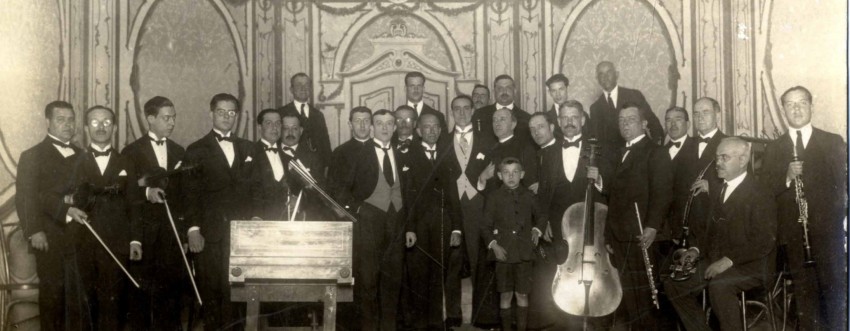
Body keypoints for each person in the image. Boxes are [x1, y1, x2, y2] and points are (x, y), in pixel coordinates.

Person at [665, 137, 777, 331]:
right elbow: (709, 230)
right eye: (717, 157)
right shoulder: (719, 189)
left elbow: (764, 240)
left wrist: (728, 260)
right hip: (717, 259)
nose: (717, 163)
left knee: (719, 285)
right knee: (673, 284)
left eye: (724, 157)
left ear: (742, 160)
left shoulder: (760, 192)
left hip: (752, 265)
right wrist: (695, 249)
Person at [761, 86, 847, 330]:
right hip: (794, 236)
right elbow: (765, 190)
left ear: (811, 106)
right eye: (790, 104)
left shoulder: (833, 142)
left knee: (834, 296)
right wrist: (786, 177)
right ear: (783, 109)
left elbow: (843, 188)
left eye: (801, 103)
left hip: (828, 234)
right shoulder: (774, 148)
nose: (796, 108)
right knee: (804, 297)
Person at [535, 101, 612, 329]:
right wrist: (543, 221)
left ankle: (596, 324)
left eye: (574, 117)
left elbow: (614, 188)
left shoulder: (600, 151)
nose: (569, 122)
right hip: (560, 228)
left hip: (590, 227)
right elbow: (543, 193)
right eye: (564, 118)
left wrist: (598, 179)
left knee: (595, 278)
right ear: (558, 122)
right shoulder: (547, 154)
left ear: (583, 120)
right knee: (563, 282)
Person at [336, 109, 415, 330]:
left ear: (395, 127)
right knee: (368, 282)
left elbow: (408, 193)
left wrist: (409, 227)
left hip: (397, 224)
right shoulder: (359, 153)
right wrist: (358, 209)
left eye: (389, 123)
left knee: (393, 281)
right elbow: (340, 189)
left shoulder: (402, 153)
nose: (384, 128)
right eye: (379, 123)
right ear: (372, 127)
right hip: (369, 223)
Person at [183, 93, 255, 330]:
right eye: (221, 112)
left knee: (239, 293)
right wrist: (193, 229)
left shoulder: (249, 148)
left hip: (242, 234)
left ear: (238, 115)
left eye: (231, 112)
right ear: (211, 114)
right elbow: (189, 194)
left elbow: (255, 190)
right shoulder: (195, 150)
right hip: (210, 234)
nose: (227, 117)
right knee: (213, 293)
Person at [16, 101, 89, 331]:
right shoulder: (32, 155)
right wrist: (34, 231)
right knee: (53, 296)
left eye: (71, 120)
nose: (67, 125)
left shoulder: (82, 154)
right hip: (48, 236)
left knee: (79, 297)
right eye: (61, 119)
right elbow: (25, 197)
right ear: (48, 122)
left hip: (79, 237)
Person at [122, 96, 187, 330]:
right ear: (150, 119)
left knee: (171, 297)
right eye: (166, 118)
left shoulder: (179, 151)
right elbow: (125, 193)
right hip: (144, 234)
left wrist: (184, 232)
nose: (171, 123)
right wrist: (147, 191)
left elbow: (182, 197)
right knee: (141, 298)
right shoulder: (131, 151)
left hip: (172, 237)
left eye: (174, 118)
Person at [605, 104, 673, 329]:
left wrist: (652, 226)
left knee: (646, 296)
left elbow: (662, 193)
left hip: (643, 234)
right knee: (630, 296)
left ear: (644, 124)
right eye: (621, 119)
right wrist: (608, 235)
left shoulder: (656, 152)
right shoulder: (617, 154)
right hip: (619, 235)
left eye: (631, 119)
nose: (624, 123)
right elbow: (613, 198)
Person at [73, 106, 134, 330]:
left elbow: (134, 204)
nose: (101, 127)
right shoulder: (75, 161)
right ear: (87, 128)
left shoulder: (126, 162)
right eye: (95, 122)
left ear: (115, 128)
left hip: (117, 244)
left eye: (107, 122)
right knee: (86, 303)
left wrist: (135, 240)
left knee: (114, 303)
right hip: (83, 242)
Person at [442, 95, 499, 326]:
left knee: (480, 261)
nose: (462, 113)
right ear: (452, 112)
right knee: (453, 261)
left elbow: (495, 178)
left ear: (473, 110)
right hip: (453, 208)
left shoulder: (487, 141)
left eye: (466, 108)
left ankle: (482, 317)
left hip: (478, 206)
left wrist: (482, 181)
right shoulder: (443, 142)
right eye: (457, 109)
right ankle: (453, 315)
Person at [405, 113, 464, 329]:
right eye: (426, 127)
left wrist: (457, 227)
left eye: (435, 127)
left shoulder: (448, 155)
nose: (431, 131)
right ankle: (421, 323)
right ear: (418, 131)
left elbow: (453, 195)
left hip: (444, 222)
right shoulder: (408, 156)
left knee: (441, 273)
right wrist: (409, 228)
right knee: (419, 274)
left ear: (440, 131)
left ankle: (439, 322)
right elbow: (407, 197)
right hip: (418, 224)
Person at [482, 157, 548, 331]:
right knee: (505, 294)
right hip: (503, 253)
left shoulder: (529, 196)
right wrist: (494, 246)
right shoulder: (493, 197)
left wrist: (537, 230)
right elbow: (485, 226)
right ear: (499, 175)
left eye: (515, 172)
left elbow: (541, 216)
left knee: (522, 294)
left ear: (522, 174)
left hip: (524, 253)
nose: (511, 176)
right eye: (506, 172)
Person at [589, 61, 664, 146]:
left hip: (639, 153)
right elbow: (597, 139)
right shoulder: (595, 108)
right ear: (597, 79)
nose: (605, 77)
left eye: (609, 72)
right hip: (610, 158)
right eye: (601, 74)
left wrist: (654, 150)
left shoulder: (633, 95)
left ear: (616, 75)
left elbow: (654, 124)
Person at [279, 108, 329, 221]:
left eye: (295, 128)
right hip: (276, 214)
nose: (290, 133)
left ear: (301, 131)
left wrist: (300, 201)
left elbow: (321, 190)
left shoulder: (313, 157)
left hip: (307, 215)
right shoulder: (272, 154)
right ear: (280, 130)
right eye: (286, 128)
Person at [476, 107, 538, 195]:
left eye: (502, 119)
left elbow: (530, 184)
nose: (497, 124)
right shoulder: (489, 150)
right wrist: (482, 178)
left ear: (513, 124)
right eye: (494, 120)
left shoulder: (525, 147)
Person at [277, 73, 332, 172]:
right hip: (291, 168)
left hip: (316, 168)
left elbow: (325, 145)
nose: (303, 88)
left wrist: (328, 167)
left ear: (310, 89)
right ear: (291, 89)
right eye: (299, 85)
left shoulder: (318, 115)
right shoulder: (281, 113)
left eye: (306, 85)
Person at [249, 108, 290, 220]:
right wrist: (255, 215)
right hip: (258, 220)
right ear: (259, 127)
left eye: (278, 123)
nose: (274, 127)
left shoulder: (288, 157)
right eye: (269, 123)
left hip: (285, 221)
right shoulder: (249, 153)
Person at [471, 75, 531, 143]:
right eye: (500, 88)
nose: (504, 92)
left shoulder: (526, 118)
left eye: (508, 88)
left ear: (515, 91)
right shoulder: (480, 114)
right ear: (494, 91)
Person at [329, 106, 372, 199]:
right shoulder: (339, 152)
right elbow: (334, 186)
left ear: (371, 125)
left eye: (366, 121)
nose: (362, 125)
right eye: (357, 121)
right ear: (350, 125)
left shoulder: (379, 149)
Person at [545, 74, 590, 139]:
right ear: (549, 93)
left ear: (567, 88)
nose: (558, 94)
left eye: (561, 89)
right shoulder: (546, 118)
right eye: (554, 91)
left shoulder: (582, 114)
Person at [404, 71, 448, 136]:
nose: (416, 89)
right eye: (412, 86)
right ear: (405, 89)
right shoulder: (397, 115)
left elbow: (443, 143)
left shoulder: (438, 116)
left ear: (423, 89)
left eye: (419, 86)